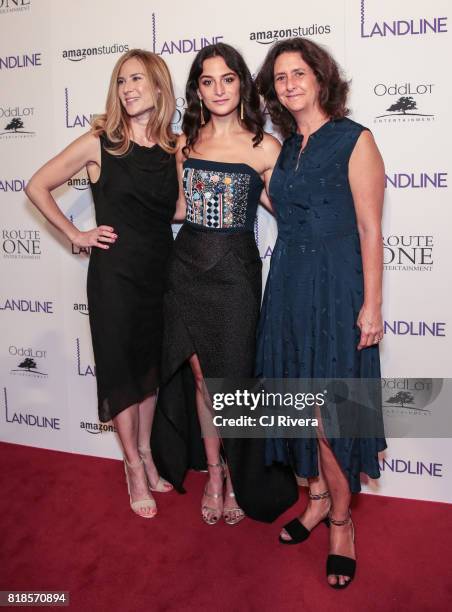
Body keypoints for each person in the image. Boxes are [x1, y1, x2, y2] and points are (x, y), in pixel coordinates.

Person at [255, 38, 387, 587]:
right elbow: (286, 206)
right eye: (280, 77)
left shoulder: (355, 140)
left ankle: (340, 522)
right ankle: (314, 501)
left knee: (332, 417)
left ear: (321, 77)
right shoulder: (286, 149)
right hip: (287, 284)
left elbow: (369, 229)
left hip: (336, 287)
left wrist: (372, 305)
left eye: (298, 73)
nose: (289, 84)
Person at [25, 49, 178, 519]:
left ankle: (147, 453)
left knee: (150, 374)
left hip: (160, 272)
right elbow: (36, 184)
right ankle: (132, 465)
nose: (127, 88)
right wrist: (76, 234)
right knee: (120, 373)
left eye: (136, 79)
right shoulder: (100, 142)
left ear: (158, 86)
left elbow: (174, 212)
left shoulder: (174, 146)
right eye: (120, 81)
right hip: (114, 276)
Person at [151, 43, 298, 525]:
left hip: (235, 276)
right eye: (207, 81)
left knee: (230, 383)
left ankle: (239, 475)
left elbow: (289, 215)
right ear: (197, 88)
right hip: (186, 271)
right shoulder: (184, 144)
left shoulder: (265, 146)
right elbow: (177, 209)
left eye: (228, 79)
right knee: (199, 378)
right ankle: (214, 475)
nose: (218, 89)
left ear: (242, 84)